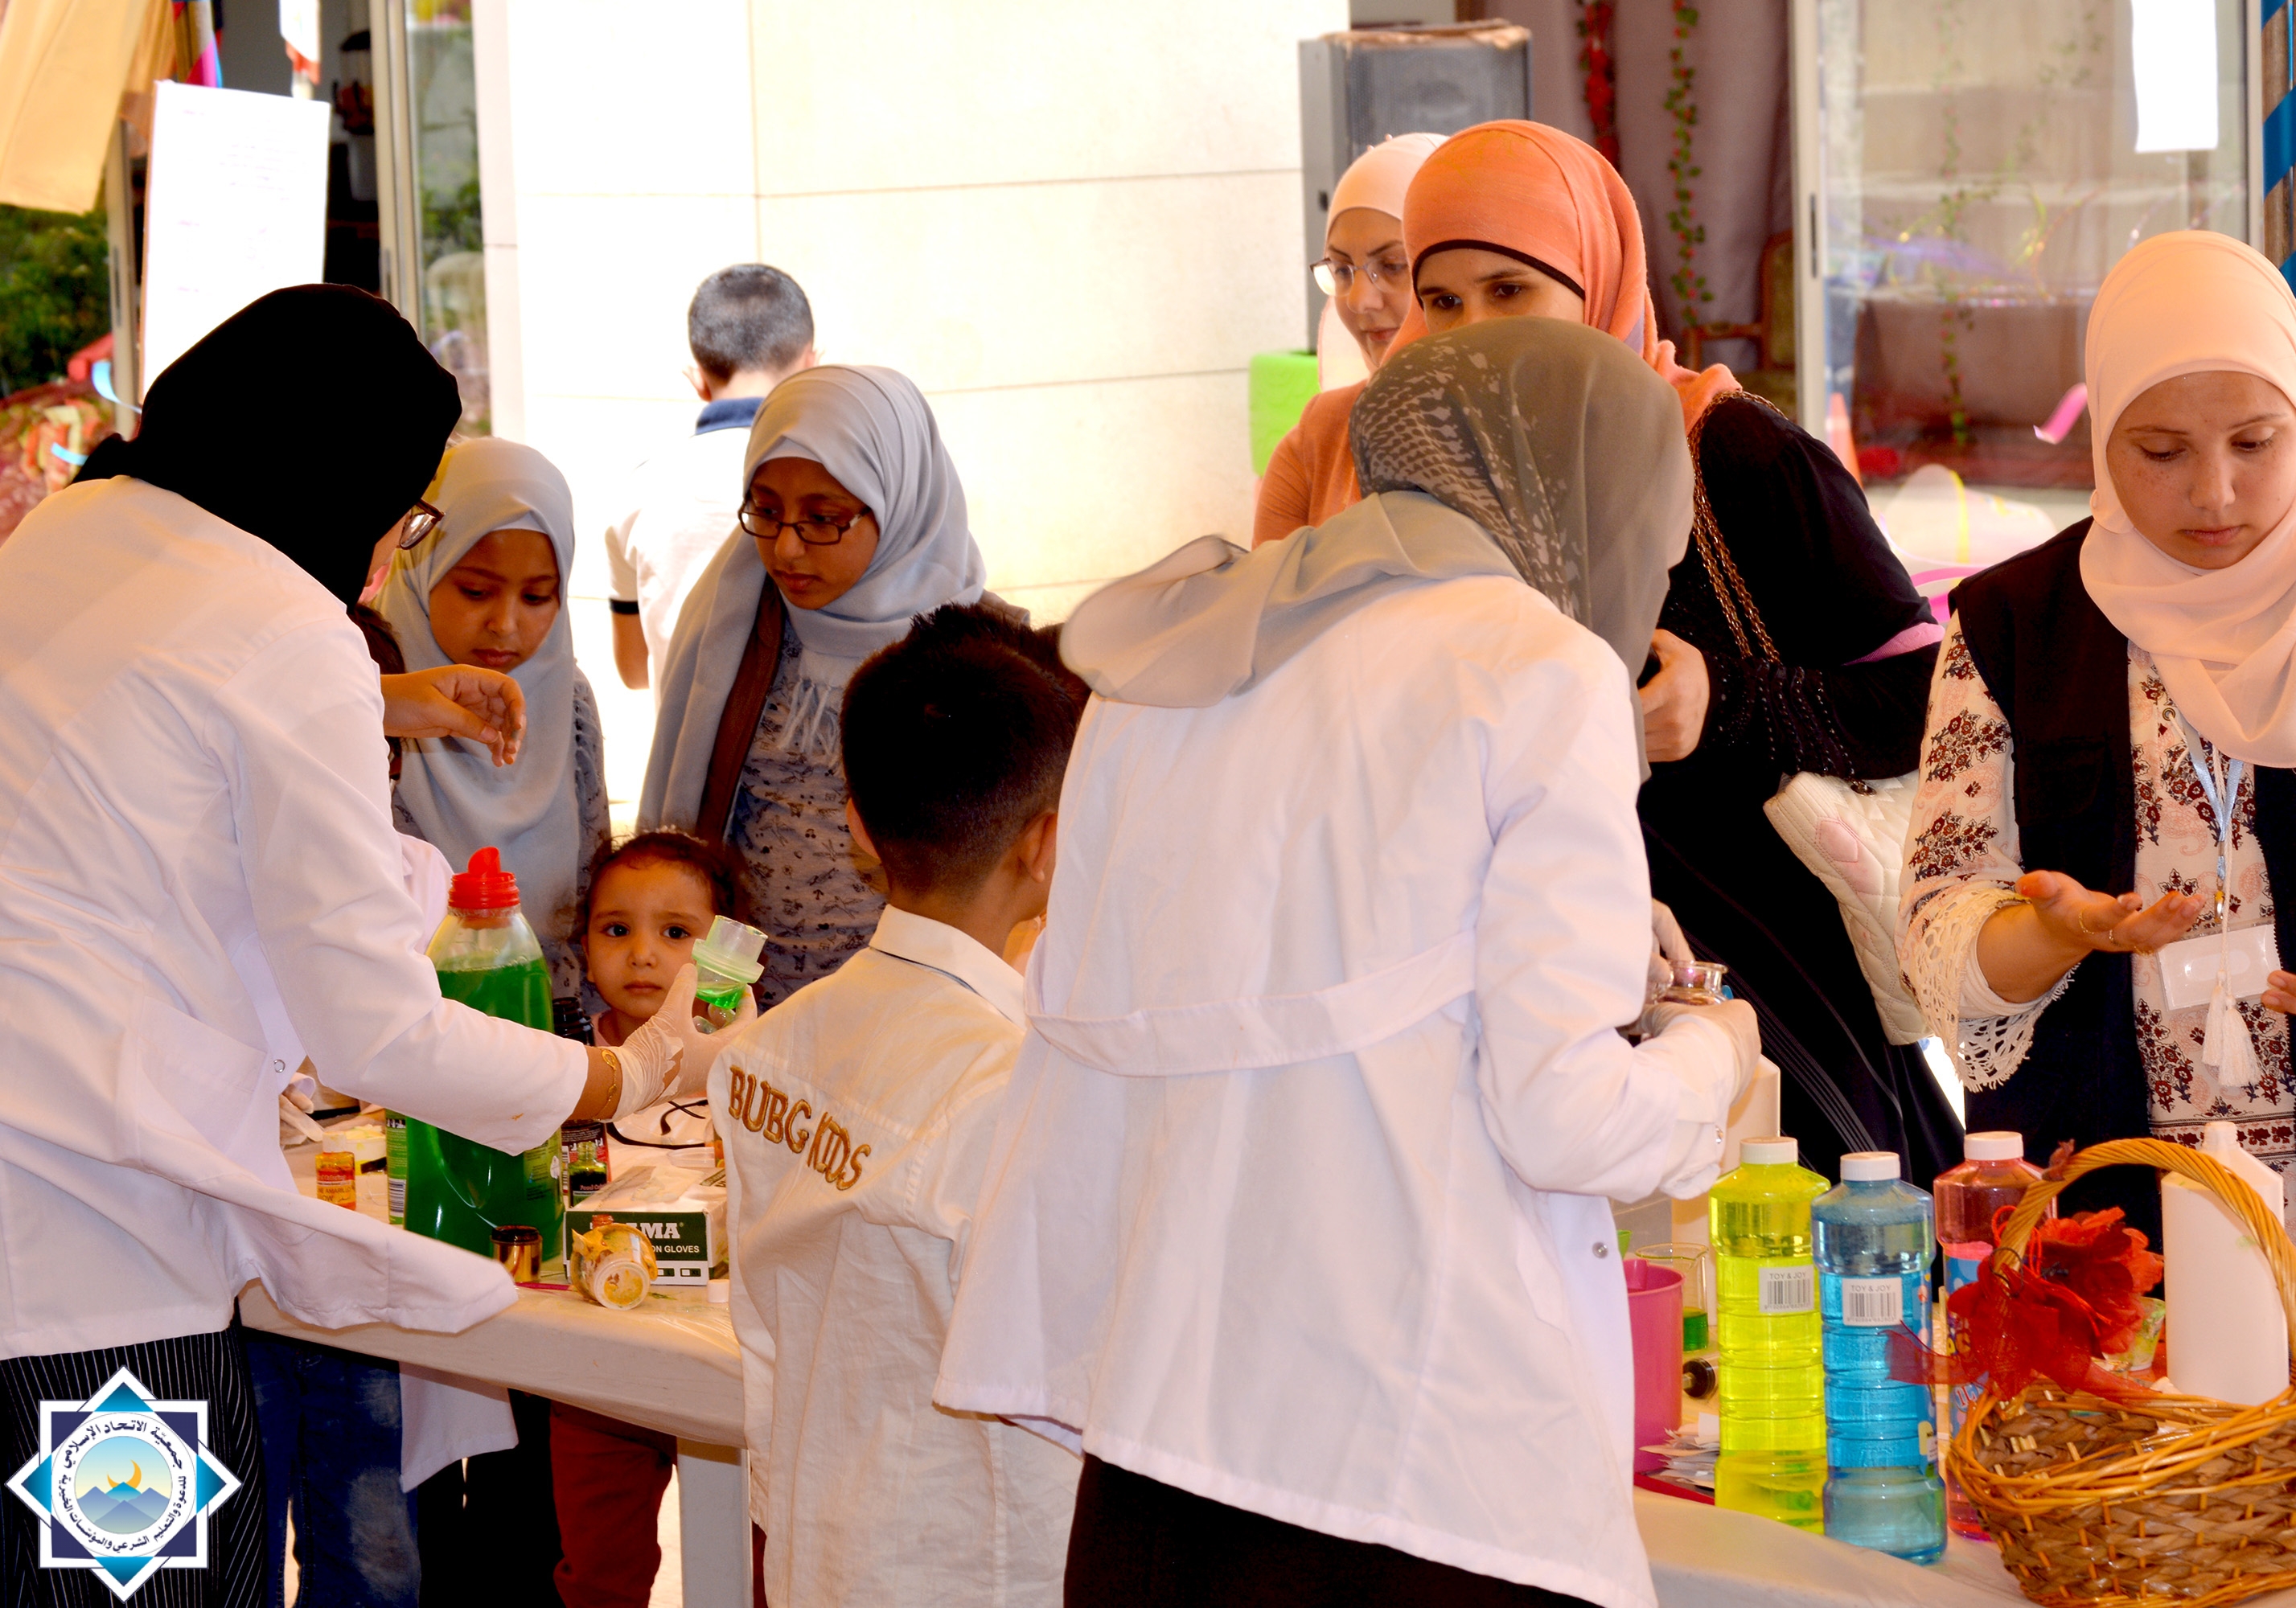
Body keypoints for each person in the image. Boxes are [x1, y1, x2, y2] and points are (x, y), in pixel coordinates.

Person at [934, 317, 1760, 1606]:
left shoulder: (1172, 653)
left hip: (1161, 1443)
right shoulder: (1538, 665)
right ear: (1576, 490)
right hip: (1412, 1463)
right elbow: (1567, 1120)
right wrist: (1715, 1053)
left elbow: (1238, 987)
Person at [0, 285, 733, 1604]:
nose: (400, 539)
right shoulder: (288, 626)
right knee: (149, 1585)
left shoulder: (73, 529)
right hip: (86, 1264)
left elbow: (152, 708)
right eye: (411, 506)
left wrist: (383, 702)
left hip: (44, 1212)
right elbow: (376, 1031)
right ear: (342, 478)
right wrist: (631, 1074)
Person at [1399, 118, 1958, 1187]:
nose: (1473, 333)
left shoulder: (1731, 454)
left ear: (1597, 282)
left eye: (1510, 290)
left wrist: (1725, 701)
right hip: (1542, 990)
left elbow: (1931, 699)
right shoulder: (1432, 496)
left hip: (1777, 985)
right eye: (1444, 301)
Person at [1899, 230, 2296, 1343]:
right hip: (2112, 1243)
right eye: (2161, 450)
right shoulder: (2015, 626)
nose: (2214, 492)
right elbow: (1939, 940)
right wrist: (2058, 932)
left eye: (2255, 442)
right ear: (2102, 437)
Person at [712, 605, 1084, 1606]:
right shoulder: (1013, 1091)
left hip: (819, 1548)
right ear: (1048, 839)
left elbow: (771, 1335)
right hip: (973, 1568)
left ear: (856, 823)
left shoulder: (763, 1049)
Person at [639, 364, 997, 1008]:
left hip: (911, 1008)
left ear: (899, 502)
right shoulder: (734, 621)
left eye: (823, 518)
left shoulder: (982, 660)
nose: (786, 549)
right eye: (766, 511)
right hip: (747, 1003)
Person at [550, 831, 746, 1608]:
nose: (642, 955)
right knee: (599, 1570)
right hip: (595, 1364)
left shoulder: (750, 1055)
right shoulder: (563, 1065)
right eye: (615, 928)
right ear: (584, 946)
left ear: (725, 952)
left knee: (755, 1561)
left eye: (675, 933)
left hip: (726, 1353)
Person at [377, 436, 608, 997]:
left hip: (548, 1007)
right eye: (477, 591)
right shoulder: (372, 687)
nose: (505, 625)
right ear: (421, 564)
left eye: (537, 597)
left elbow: (593, 876)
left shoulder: (569, 700)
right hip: (406, 1009)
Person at [608, 265, 819, 695]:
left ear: (698, 379)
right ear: (811, 365)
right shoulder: (834, 479)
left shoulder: (642, 488)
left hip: (682, 736)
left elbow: (634, 670)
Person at [1253, 132, 1445, 548]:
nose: (1359, 300)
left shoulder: (1522, 435)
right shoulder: (1318, 441)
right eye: (1341, 270)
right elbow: (1268, 587)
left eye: (1392, 265)